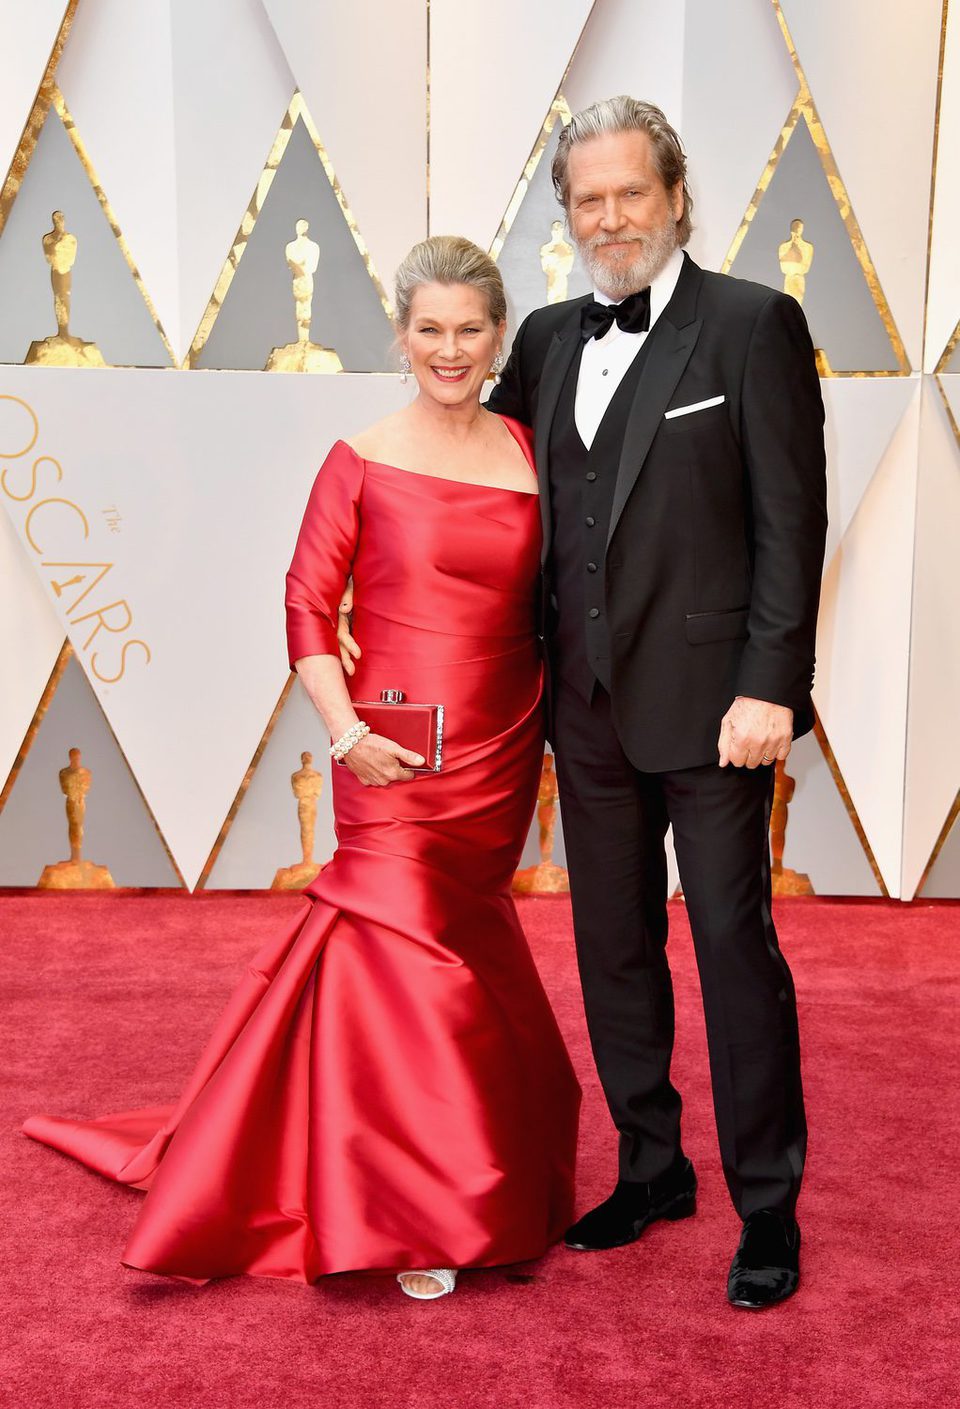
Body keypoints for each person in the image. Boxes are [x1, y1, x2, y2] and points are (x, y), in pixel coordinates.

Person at [23, 235, 580, 1302]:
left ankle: (464, 1163)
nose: (449, 349)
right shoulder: (358, 456)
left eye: (470, 330)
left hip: (503, 748)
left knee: (468, 947)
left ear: (498, 335)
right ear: (401, 334)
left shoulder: (528, 449)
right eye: (430, 329)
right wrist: (343, 731)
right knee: (415, 963)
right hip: (389, 747)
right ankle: (424, 1204)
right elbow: (304, 604)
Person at [486, 96, 827, 1308]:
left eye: (632, 192)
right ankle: (650, 1165)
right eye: (589, 199)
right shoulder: (541, 339)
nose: (611, 217)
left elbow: (792, 523)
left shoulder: (752, 325)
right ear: (567, 214)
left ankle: (768, 1205)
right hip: (580, 706)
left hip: (716, 709)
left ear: (676, 194)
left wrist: (770, 685)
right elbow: (502, 502)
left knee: (737, 950)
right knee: (611, 946)